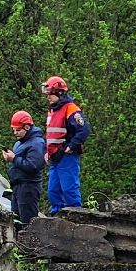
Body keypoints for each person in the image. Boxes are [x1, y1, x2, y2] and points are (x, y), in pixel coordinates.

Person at [43, 76, 90, 212]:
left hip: (66, 155)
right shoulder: (52, 111)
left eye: (50, 95)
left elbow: (84, 129)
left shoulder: (70, 108)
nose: (48, 98)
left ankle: (77, 215)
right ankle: (56, 217)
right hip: (54, 157)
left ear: (59, 93)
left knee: (69, 189)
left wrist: (72, 145)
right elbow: (52, 135)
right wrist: (47, 152)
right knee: (53, 191)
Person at [1, 110, 46, 224]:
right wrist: (10, 158)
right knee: (16, 219)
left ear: (26, 127)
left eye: (18, 130)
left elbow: (34, 166)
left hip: (29, 186)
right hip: (17, 185)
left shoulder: (37, 143)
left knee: (27, 221)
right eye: (13, 130)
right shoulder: (19, 143)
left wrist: (14, 159)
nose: (15, 133)